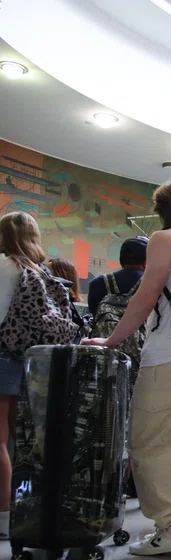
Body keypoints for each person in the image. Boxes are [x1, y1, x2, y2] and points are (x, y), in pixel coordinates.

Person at [82, 178, 171, 556]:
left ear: (161, 209)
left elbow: (145, 295)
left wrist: (110, 339)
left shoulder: (165, 240)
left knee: (148, 443)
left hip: (169, 356)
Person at [0, 212, 53, 540]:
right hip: (23, 359)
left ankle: (4, 517)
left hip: (1, 355)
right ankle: (13, 511)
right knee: (12, 439)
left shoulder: (5, 266)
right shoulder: (38, 272)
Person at [87, 237, 148, 317]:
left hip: (105, 329)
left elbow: (93, 315)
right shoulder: (151, 285)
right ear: (146, 260)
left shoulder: (98, 283)